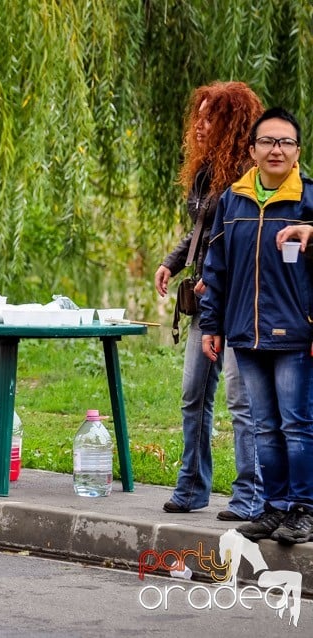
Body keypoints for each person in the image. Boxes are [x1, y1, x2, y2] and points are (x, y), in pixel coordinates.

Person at [201, 107, 313, 545]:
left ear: (298, 151)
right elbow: (217, 268)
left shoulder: (308, 198)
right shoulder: (233, 199)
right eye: (267, 141)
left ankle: (304, 509)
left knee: (297, 425)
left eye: (285, 142)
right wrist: (213, 325)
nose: (276, 149)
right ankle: (276, 507)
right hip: (245, 334)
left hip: (296, 336)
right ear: (251, 150)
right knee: (264, 426)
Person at [153, 81, 264, 521]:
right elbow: (201, 229)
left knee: (241, 399)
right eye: (197, 118)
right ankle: (193, 485)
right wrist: (173, 261)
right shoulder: (207, 172)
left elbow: (245, 242)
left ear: (233, 124)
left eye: (209, 118)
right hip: (206, 301)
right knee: (192, 393)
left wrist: (215, 280)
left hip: (237, 301)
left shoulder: (249, 178)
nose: (199, 126)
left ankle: (249, 494)